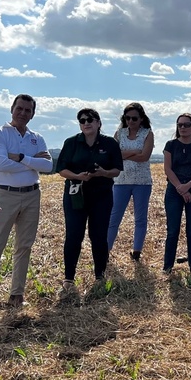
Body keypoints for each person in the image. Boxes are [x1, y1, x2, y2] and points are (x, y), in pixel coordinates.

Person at [0, 94, 52, 313]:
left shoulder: (36, 137)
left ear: (33, 114)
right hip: (5, 194)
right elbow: (1, 164)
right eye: (19, 108)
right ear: (12, 109)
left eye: (27, 110)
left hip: (31, 194)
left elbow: (48, 166)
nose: (23, 113)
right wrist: (32, 162)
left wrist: (20, 158)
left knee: (24, 246)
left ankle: (17, 295)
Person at [55, 109, 122, 293]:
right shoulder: (71, 143)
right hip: (76, 195)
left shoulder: (109, 143)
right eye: (82, 120)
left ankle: (100, 276)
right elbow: (61, 169)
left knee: (99, 236)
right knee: (74, 235)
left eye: (90, 119)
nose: (86, 123)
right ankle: (69, 279)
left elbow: (116, 169)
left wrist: (103, 173)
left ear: (99, 123)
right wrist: (77, 176)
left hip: (101, 195)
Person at [106, 102, 155, 261]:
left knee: (140, 219)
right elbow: (112, 155)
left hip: (142, 182)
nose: (131, 121)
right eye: (127, 118)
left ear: (141, 119)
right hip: (121, 181)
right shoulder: (119, 133)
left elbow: (145, 157)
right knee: (114, 217)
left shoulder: (148, 133)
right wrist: (135, 151)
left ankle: (136, 252)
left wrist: (123, 154)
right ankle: (105, 251)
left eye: (134, 118)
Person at [163, 113, 191, 274]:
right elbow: (168, 169)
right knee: (172, 230)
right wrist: (181, 188)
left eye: (186, 125)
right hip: (174, 190)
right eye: (180, 125)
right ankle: (167, 267)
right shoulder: (170, 145)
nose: (182, 127)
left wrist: (188, 185)